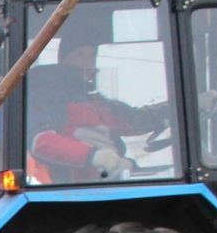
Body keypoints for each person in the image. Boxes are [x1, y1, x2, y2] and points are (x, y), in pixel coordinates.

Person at [26, 10, 172, 183]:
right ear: (63, 59)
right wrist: (94, 156)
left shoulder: (92, 99)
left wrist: (179, 109)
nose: (87, 62)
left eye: (92, 56)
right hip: (73, 187)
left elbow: (134, 120)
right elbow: (40, 142)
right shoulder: (46, 95)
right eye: (79, 55)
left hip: (109, 178)